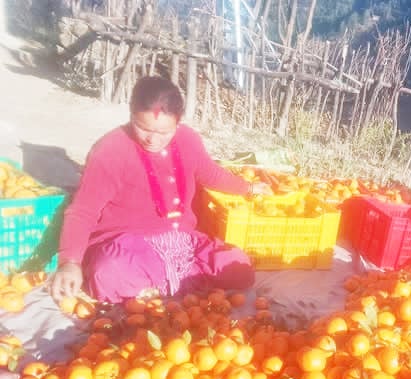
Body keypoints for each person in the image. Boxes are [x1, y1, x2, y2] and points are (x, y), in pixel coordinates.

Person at [50, 76, 268, 303]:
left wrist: (249, 188)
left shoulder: (188, 140)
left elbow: (211, 174)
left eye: (164, 133)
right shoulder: (110, 150)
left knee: (239, 267)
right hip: (127, 244)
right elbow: (84, 210)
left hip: (182, 241)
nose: (152, 140)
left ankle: (161, 284)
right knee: (108, 273)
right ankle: (179, 283)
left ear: (178, 122)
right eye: (143, 128)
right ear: (131, 114)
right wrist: (70, 262)